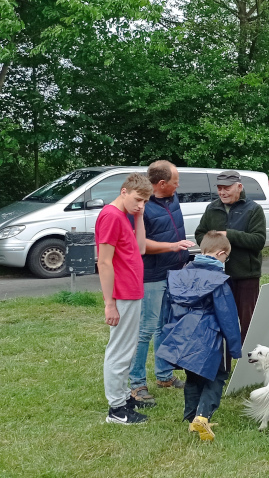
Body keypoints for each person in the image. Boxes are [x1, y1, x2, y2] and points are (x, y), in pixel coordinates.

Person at [156, 231, 243, 442]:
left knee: (193, 376)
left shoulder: (180, 274)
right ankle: (202, 417)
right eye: (226, 257)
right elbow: (228, 316)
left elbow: (168, 309)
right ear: (221, 254)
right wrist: (234, 347)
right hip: (208, 337)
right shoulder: (219, 280)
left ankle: (191, 417)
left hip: (183, 334)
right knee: (216, 377)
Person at [128, 161, 195, 406]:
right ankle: (137, 384)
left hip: (175, 273)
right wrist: (172, 246)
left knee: (165, 327)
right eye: (175, 181)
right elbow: (141, 244)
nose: (179, 186)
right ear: (162, 184)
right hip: (151, 278)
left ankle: (164, 376)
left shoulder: (173, 199)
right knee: (145, 330)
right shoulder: (142, 207)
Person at [97, 173, 152, 425]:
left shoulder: (125, 216)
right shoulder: (110, 216)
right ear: (124, 191)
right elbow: (104, 262)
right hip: (121, 294)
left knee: (127, 349)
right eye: (137, 200)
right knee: (119, 351)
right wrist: (109, 303)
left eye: (144, 202)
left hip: (133, 290)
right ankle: (116, 410)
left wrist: (138, 216)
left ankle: (123, 397)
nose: (140, 205)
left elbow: (139, 248)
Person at [194, 170, 266, 343]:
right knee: (220, 322)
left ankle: (248, 361)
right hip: (217, 277)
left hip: (246, 276)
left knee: (247, 323)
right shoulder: (212, 208)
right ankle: (223, 365)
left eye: (227, 188)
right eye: (219, 188)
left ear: (239, 187)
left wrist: (229, 235)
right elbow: (199, 234)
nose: (222, 192)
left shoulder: (253, 209)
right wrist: (212, 245)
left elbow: (258, 240)